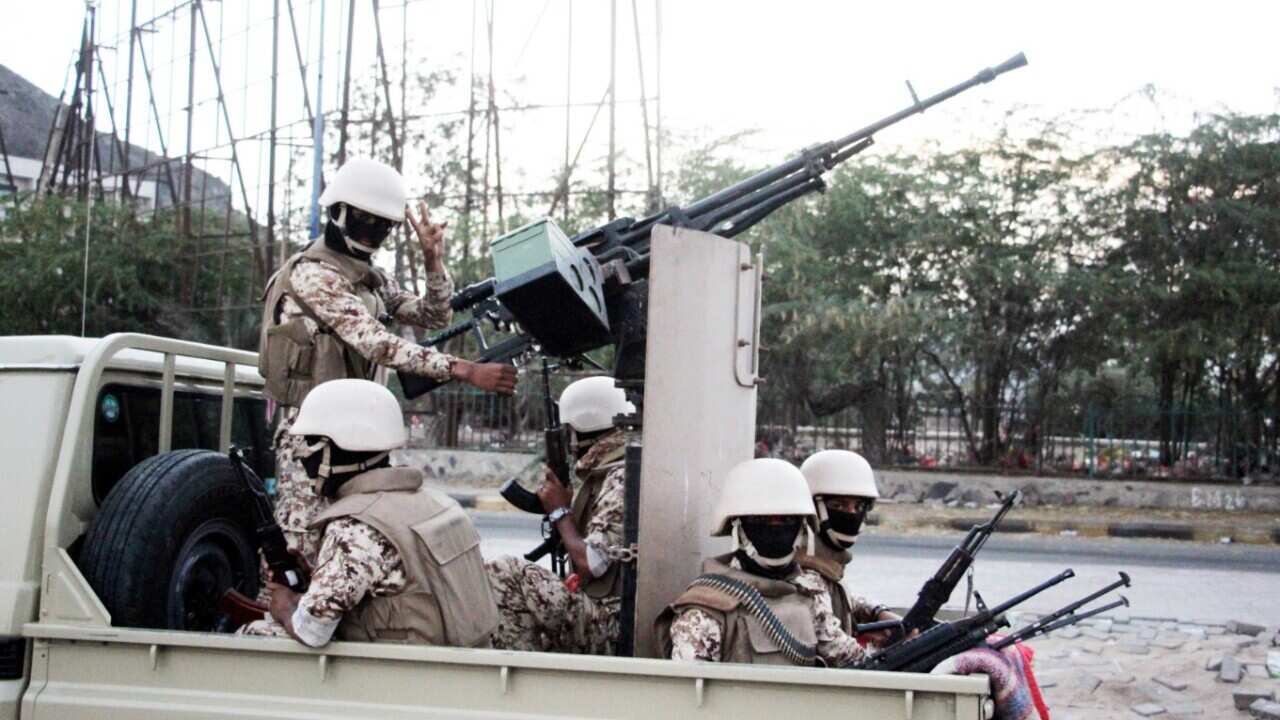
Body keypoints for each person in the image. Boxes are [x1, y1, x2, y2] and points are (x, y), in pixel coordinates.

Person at [257, 156, 517, 563]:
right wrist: (464, 370)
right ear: (338, 212)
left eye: (385, 226)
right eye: (367, 221)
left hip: (355, 436)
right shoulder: (315, 275)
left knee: (357, 547)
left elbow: (433, 315)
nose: (375, 233)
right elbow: (376, 343)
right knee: (302, 550)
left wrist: (433, 260)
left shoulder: (368, 276)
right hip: (309, 437)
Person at [241, 379, 498, 649]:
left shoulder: (356, 526)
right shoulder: (437, 503)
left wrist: (284, 606)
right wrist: (315, 575)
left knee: (255, 632)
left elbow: (312, 630)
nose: (304, 459)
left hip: (404, 675)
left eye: (311, 445)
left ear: (337, 449)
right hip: (460, 662)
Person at [655, 458, 875, 667]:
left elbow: (849, 658)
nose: (776, 529)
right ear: (739, 526)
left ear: (801, 527)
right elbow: (690, 697)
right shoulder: (704, 613)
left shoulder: (807, 594)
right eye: (761, 520)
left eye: (787, 520)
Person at [485, 376, 634, 654]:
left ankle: (517, 672)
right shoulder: (613, 468)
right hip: (606, 611)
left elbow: (592, 562)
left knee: (504, 572)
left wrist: (560, 512)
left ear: (582, 428)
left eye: (569, 431)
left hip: (612, 623)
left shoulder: (620, 475)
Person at [797, 449, 900, 640]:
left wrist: (877, 612)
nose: (851, 513)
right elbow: (831, 645)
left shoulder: (825, 562)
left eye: (859, 507)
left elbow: (838, 596)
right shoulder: (804, 571)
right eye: (839, 506)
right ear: (813, 508)